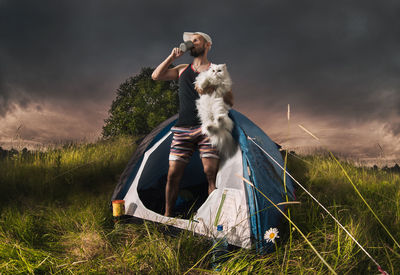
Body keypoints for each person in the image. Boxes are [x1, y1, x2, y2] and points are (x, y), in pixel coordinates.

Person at [152, 32, 233, 217]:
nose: (191, 43)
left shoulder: (217, 69)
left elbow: (231, 101)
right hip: (182, 129)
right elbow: (156, 76)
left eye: (196, 40)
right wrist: (172, 57)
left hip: (207, 128)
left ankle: (213, 218)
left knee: (211, 174)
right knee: (173, 175)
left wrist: (216, 88)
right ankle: (168, 216)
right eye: (190, 40)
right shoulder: (182, 68)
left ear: (207, 45)